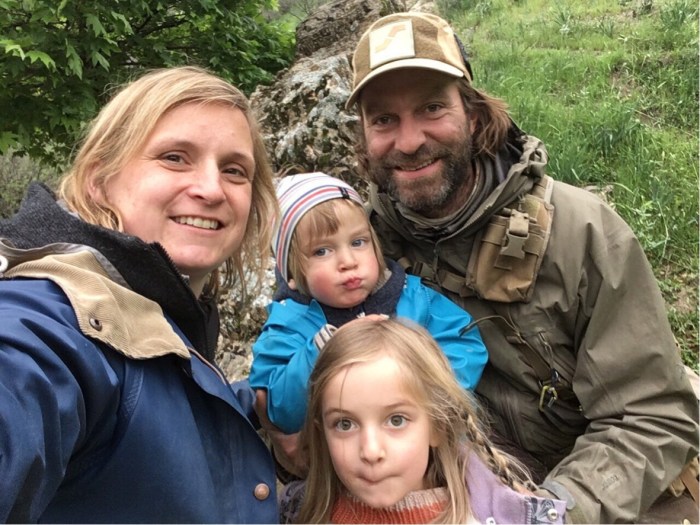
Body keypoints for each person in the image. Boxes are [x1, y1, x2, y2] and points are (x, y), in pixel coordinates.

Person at [341, 11, 699, 523]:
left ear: (473, 114)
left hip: (589, 492)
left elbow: (651, 414)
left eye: (431, 108)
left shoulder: (580, 231)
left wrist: (544, 514)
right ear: (362, 136)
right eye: (383, 120)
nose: (410, 140)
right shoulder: (356, 249)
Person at [0, 66, 280, 522]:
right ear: (99, 179)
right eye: (174, 157)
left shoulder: (162, 309)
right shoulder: (49, 317)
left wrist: (275, 406)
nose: (211, 189)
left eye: (234, 170)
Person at [249, 171, 487, 435]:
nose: (348, 261)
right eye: (322, 251)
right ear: (291, 274)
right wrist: (320, 353)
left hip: (421, 440)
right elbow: (279, 409)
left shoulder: (412, 298)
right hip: (345, 452)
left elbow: (464, 343)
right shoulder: (289, 326)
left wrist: (428, 392)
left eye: (358, 242)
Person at [278, 318, 568, 524]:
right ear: (322, 433)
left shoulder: (489, 517)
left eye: (396, 420)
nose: (370, 451)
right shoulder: (296, 513)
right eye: (345, 424)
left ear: (438, 426)